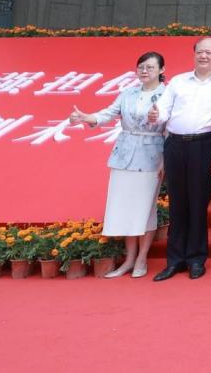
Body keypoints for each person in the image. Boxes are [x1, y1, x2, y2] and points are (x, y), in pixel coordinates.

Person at [69, 51, 168, 278]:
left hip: (152, 155)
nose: (144, 71)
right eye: (141, 67)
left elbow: (171, 129)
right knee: (126, 208)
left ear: (161, 70)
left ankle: (142, 258)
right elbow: (107, 113)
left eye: (150, 67)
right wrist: (85, 117)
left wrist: (165, 160)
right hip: (124, 154)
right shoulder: (128, 93)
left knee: (145, 209)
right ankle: (129, 259)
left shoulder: (167, 94)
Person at [150, 37, 211, 281]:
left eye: (209, 52)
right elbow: (163, 110)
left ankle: (196, 259)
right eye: (200, 52)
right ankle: (174, 260)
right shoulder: (178, 81)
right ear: (194, 54)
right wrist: (156, 115)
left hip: (204, 145)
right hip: (175, 145)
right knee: (177, 203)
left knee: (198, 203)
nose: (204, 56)